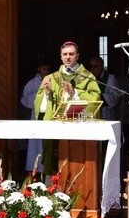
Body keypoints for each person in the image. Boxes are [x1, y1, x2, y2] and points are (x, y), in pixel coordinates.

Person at [34, 41, 101, 175]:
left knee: (79, 166)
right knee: (54, 163)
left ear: (77, 56)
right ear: (60, 57)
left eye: (71, 54)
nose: (68, 57)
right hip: (56, 131)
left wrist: (74, 93)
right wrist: (47, 94)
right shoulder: (51, 78)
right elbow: (39, 108)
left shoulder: (87, 77)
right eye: (65, 54)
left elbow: (96, 100)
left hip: (79, 129)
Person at [20, 58, 51, 174]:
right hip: (37, 115)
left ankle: (45, 167)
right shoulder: (32, 83)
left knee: (45, 141)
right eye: (44, 69)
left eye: (48, 69)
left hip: (49, 115)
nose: (46, 71)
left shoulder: (52, 80)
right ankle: (34, 167)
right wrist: (39, 95)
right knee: (35, 142)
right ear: (39, 69)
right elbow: (24, 99)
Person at [89, 56, 121, 121]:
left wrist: (99, 97)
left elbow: (115, 97)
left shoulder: (111, 78)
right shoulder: (88, 78)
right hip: (91, 116)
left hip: (106, 116)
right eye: (91, 66)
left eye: (95, 66)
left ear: (101, 67)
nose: (92, 69)